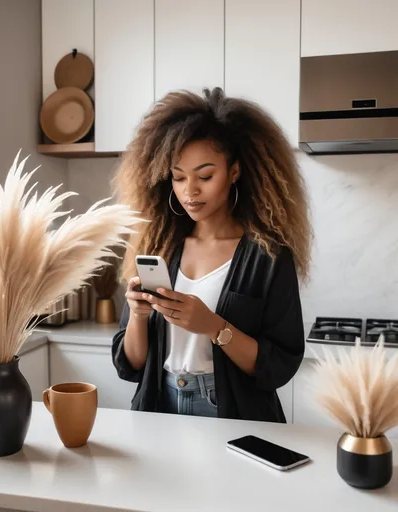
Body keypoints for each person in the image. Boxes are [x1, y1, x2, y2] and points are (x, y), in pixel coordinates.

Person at [111, 87, 312, 422]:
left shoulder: (268, 256)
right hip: (159, 406)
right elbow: (130, 366)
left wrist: (214, 327)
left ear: (234, 172)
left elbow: (278, 366)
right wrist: (138, 316)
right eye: (178, 177)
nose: (190, 190)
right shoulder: (161, 245)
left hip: (234, 412)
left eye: (205, 175)